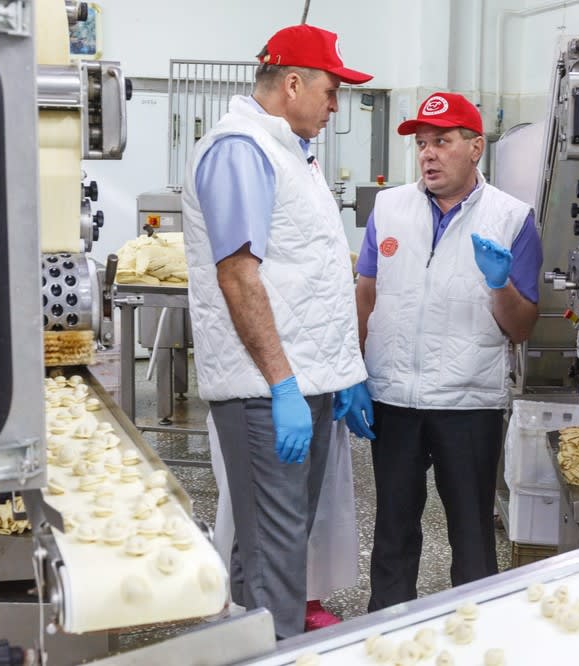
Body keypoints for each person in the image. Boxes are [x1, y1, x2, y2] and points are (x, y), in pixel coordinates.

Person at [181, 23, 374, 638]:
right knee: (278, 552)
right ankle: (278, 648)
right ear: (292, 83)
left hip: (301, 380)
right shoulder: (241, 150)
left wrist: (342, 372)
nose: (335, 105)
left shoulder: (291, 152)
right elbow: (238, 276)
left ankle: (247, 640)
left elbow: (307, 271)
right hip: (266, 389)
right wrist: (284, 385)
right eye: (331, 90)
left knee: (273, 544)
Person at [355, 92, 544, 611]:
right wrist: (355, 372)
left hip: (468, 403)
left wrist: (500, 284)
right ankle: (386, 632)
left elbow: (521, 327)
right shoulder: (389, 208)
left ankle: (477, 632)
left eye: (442, 141)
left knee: (472, 537)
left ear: (475, 147)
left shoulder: (512, 218)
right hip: (394, 397)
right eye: (422, 144)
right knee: (392, 533)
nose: (428, 154)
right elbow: (366, 293)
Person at [206, 412, 358, 631]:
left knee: (313, 502)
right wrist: (283, 391)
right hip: (258, 403)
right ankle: (241, 597)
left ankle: (306, 596)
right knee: (250, 501)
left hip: (318, 397)